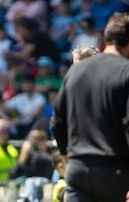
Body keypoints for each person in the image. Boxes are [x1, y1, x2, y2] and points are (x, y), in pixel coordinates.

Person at [50, 12, 129, 202]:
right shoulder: (126, 70)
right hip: (114, 171)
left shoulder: (75, 71)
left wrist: (67, 159)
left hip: (78, 169)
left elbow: (57, 123)